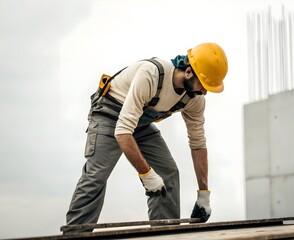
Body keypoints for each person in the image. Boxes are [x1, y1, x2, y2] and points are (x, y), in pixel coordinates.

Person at [65, 42, 228, 233]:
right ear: (189, 72)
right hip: (109, 114)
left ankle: (165, 235)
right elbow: (123, 131)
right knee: (96, 175)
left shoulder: (195, 99)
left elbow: (198, 143)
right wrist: (146, 174)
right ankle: (74, 234)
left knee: (168, 172)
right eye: (203, 84)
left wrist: (203, 195)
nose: (205, 91)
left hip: (138, 121)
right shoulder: (152, 74)